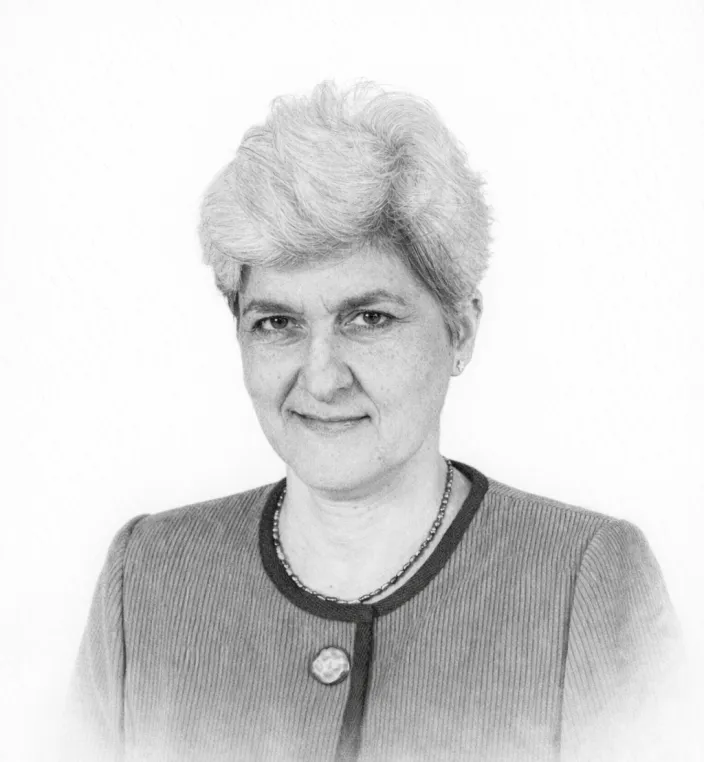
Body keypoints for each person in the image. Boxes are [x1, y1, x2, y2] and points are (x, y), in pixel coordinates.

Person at [65, 79, 683, 762]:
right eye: (277, 323)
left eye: (368, 318)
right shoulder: (147, 577)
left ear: (460, 330)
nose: (321, 377)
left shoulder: (586, 579)